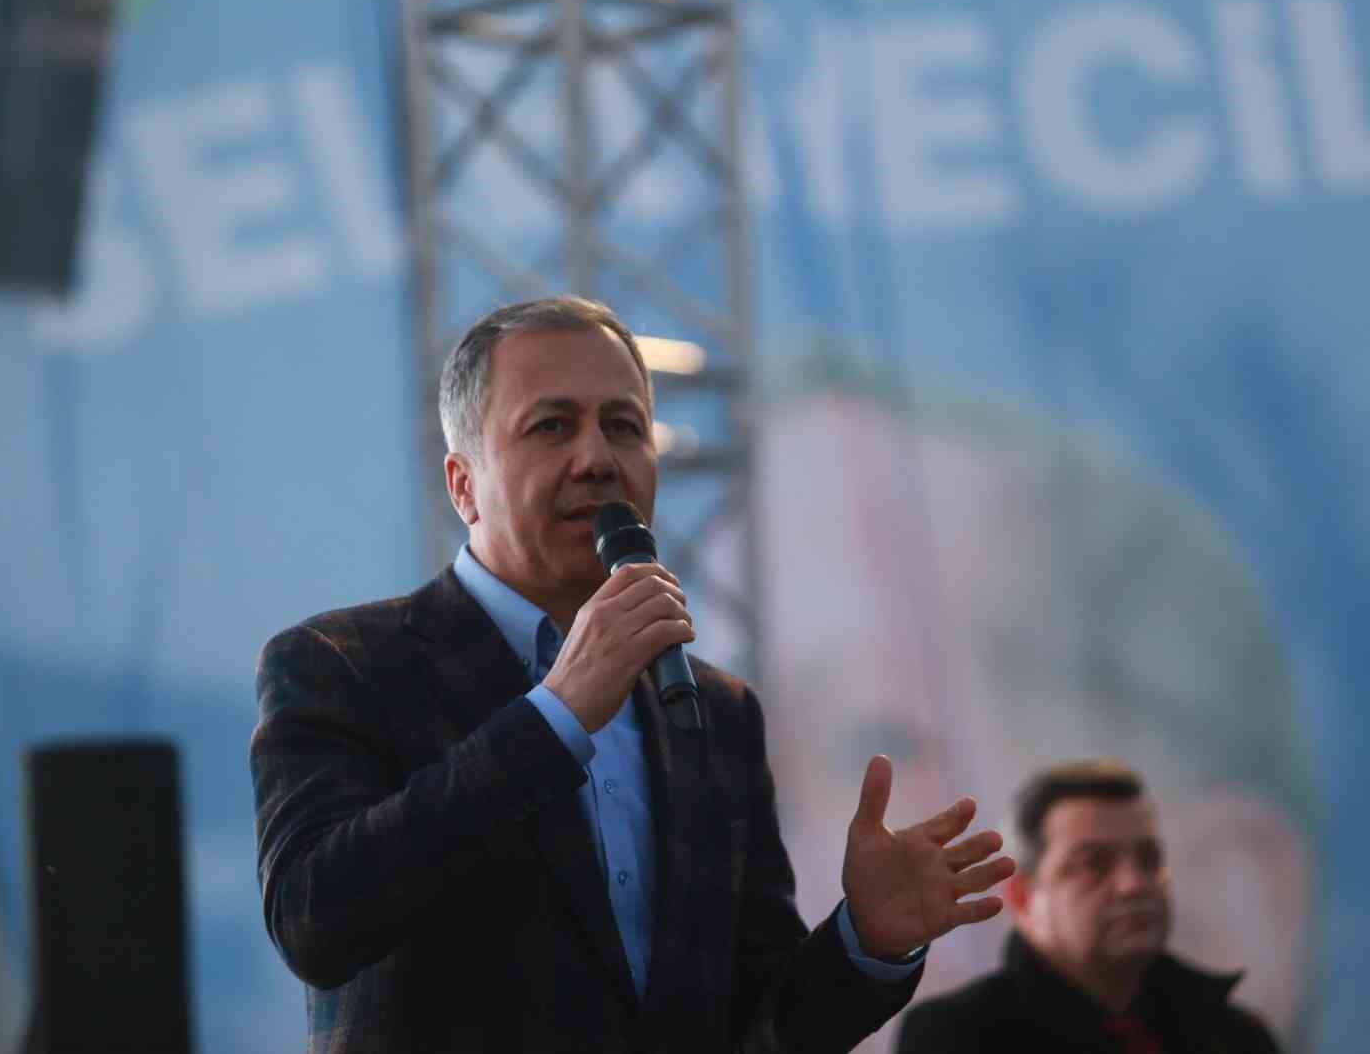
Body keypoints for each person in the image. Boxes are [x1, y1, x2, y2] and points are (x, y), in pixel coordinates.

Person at [250, 295, 1015, 1052]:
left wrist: (863, 942)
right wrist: (556, 714)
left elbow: (758, 1025)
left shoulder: (715, 709)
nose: (597, 459)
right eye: (552, 426)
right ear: (462, 484)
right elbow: (314, 919)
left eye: (623, 426)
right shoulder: (343, 665)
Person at [895, 759, 1281, 1053]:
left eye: (1149, 859)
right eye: (1094, 864)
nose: (1134, 885)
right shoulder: (955, 1038)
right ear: (1023, 898)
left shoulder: (1237, 1037)